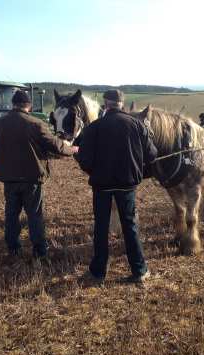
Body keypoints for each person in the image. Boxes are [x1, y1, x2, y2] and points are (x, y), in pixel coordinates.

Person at [76, 89, 158, 284]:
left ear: (106, 104)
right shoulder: (137, 125)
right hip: (127, 185)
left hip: (101, 186)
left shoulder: (94, 127)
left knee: (101, 228)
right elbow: (152, 155)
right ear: (122, 103)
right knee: (130, 227)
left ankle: (98, 272)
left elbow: (84, 159)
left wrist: (93, 171)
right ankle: (139, 270)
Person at [0, 90, 78, 265]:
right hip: (32, 178)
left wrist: (5, 164)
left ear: (13, 104)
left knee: (11, 214)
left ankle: (13, 249)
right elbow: (55, 146)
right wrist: (71, 149)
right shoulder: (36, 123)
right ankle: (40, 251)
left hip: (9, 178)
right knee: (35, 215)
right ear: (28, 105)